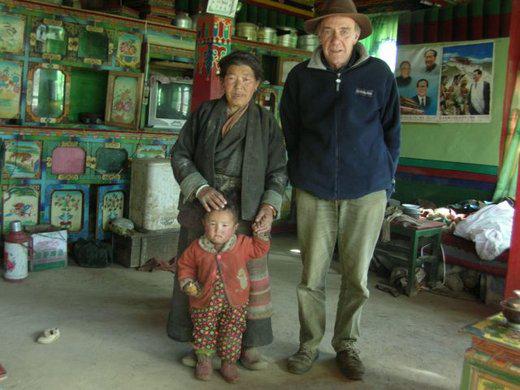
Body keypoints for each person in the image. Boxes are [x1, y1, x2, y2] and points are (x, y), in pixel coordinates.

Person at [280, 0, 400, 381]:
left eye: (344, 30)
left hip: (366, 190)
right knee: (311, 276)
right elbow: (291, 131)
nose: (336, 39)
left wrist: (384, 180)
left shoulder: (379, 74)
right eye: (329, 31)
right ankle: (309, 343)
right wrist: (301, 176)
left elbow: (392, 132)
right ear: (318, 34)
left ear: (357, 34)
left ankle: (347, 344)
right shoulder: (300, 77)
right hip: (314, 189)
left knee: (356, 277)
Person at [168, 50, 288, 370]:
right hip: (205, 205)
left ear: (257, 84)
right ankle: (200, 344)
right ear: (222, 81)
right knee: (201, 271)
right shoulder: (204, 113)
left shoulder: (266, 122)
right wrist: (200, 187)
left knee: (248, 277)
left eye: (246, 79)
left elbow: (278, 169)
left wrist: (269, 206)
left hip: (248, 209)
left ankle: (249, 344)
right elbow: (180, 155)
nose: (238, 86)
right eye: (232, 78)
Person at [177, 204, 271, 383]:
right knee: (203, 332)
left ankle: (229, 363)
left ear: (235, 228)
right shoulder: (197, 247)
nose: (217, 230)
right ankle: (204, 361)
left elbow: (260, 250)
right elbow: (185, 266)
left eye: (224, 225)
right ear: (204, 223)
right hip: (203, 302)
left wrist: (260, 234)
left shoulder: (242, 243)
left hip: (235, 303)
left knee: (232, 333)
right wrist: (187, 282)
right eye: (212, 224)